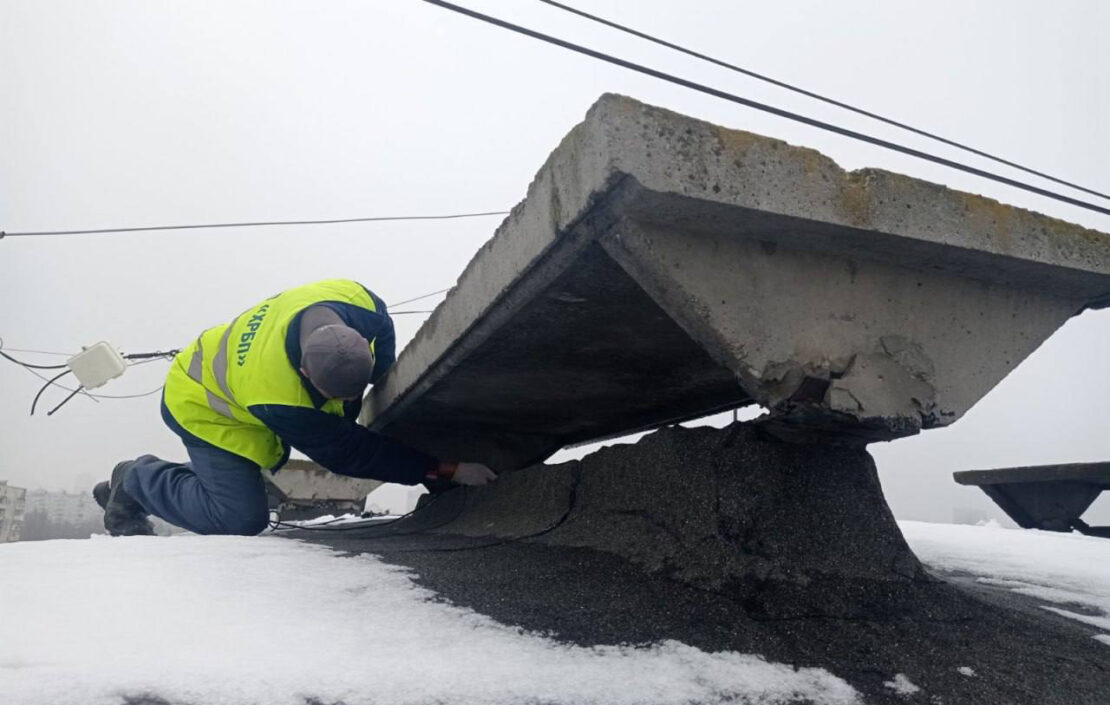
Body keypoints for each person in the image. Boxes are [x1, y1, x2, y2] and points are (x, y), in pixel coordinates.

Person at [95, 278, 495, 537]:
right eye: (334, 397)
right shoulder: (280, 395)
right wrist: (445, 469)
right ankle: (136, 478)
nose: (345, 404)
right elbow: (349, 453)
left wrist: (384, 372)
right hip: (201, 403)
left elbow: (384, 328)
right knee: (240, 518)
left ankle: (200, 478)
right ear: (303, 370)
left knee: (239, 488)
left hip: (235, 384)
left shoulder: (359, 301)